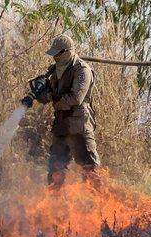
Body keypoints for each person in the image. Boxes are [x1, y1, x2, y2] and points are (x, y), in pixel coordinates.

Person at [21, 34, 101, 188]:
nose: (55, 57)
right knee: (55, 168)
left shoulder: (82, 70)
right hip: (61, 125)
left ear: (66, 52)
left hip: (79, 125)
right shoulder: (55, 71)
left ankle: (100, 206)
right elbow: (49, 96)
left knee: (89, 167)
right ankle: (54, 205)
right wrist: (37, 94)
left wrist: (54, 98)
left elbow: (76, 98)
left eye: (58, 54)